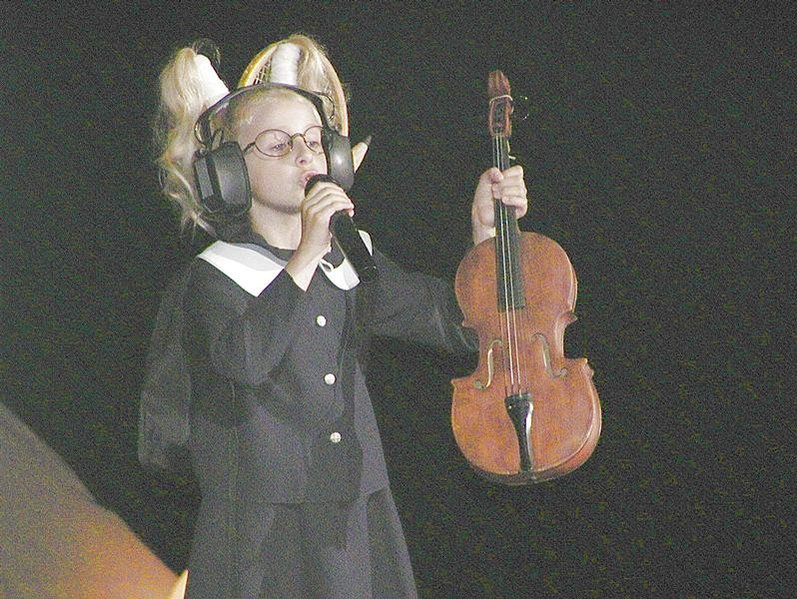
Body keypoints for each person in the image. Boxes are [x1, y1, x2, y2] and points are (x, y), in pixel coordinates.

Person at [141, 34, 528, 598]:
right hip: (261, 535)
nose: (304, 156)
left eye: (314, 141)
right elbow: (245, 360)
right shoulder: (214, 276)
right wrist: (302, 257)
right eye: (278, 145)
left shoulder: (348, 258)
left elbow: (458, 324)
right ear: (229, 171)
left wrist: (485, 235)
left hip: (352, 517)